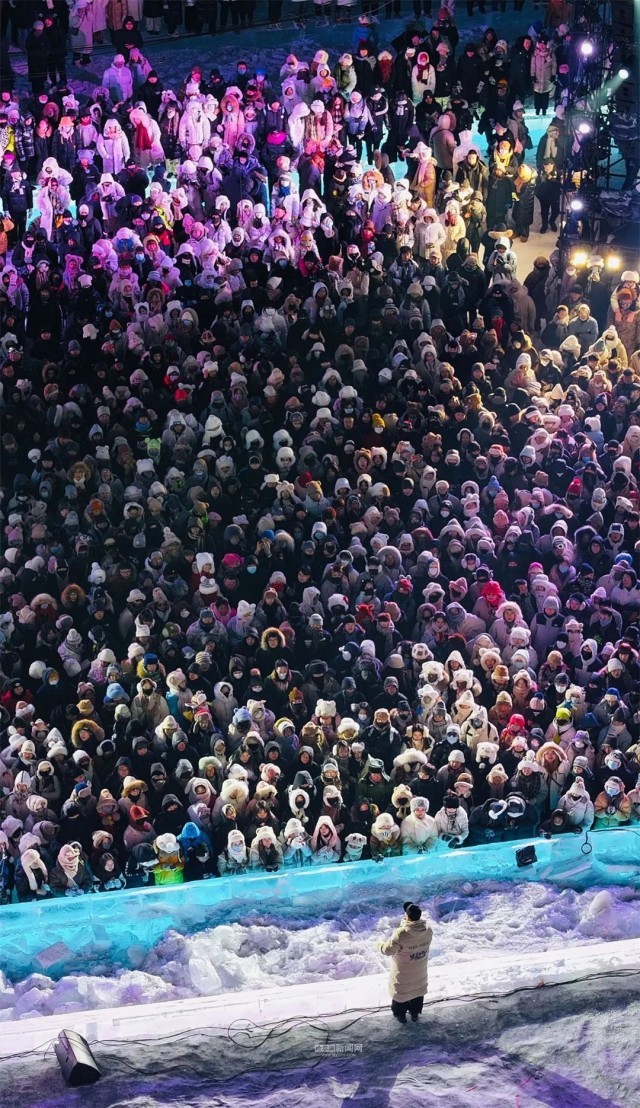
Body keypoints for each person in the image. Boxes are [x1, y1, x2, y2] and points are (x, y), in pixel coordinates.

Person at [380, 901, 432, 1023]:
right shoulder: (428, 930)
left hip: (403, 974)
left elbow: (387, 950)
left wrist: (378, 944)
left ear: (407, 916)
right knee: (417, 992)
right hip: (420, 972)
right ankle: (415, 1015)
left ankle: (401, 1018)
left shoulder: (401, 933)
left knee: (401, 995)